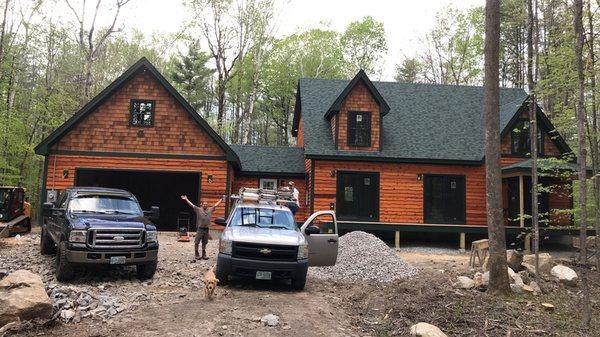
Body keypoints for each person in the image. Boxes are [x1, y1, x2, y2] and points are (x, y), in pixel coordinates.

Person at [181, 195, 224, 260]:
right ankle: (196, 253)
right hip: (200, 229)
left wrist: (221, 200)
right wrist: (186, 199)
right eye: (204, 204)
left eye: (206, 204)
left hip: (206, 229)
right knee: (197, 242)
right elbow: (192, 205)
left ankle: (204, 254)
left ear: (207, 205)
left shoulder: (210, 210)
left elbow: (216, 205)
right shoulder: (198, 209)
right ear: (202, 205)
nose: (205, 205)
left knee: (204, 242)